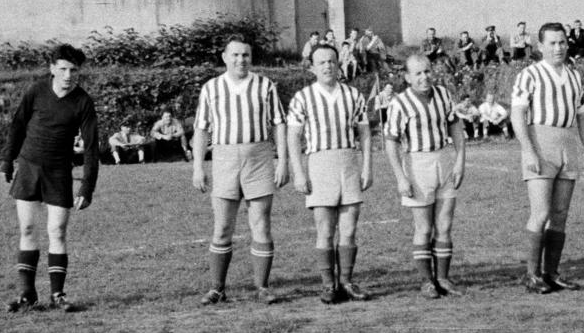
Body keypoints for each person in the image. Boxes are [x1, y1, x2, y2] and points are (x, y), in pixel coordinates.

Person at [191, 38, 291, 305]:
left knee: (261, 223)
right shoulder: (211, 88)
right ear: (224, 57)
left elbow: (279, 124)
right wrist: (198, 166)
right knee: (223, 226)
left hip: (258, 157)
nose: (240, 60)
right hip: (224, 158)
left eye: (245, 55)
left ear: (251, 57)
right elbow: (201, 129)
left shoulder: (265, 85)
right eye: (235, 55)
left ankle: (262, 287)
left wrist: (282, 160)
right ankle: (217, 288)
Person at [2, 43, 99, 312]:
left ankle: (58, 295)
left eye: (74, 70)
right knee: (28, 229)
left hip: (58, 172)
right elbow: (18, 125)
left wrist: (87, 188)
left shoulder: (82, 101)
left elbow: (91, 148)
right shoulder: (36, 91)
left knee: (57, 231)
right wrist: (7, 161)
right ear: (52, 69)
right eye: (64, 69)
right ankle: (27, 294)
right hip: (29, 167)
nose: (69, 75)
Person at [512, 22, 584, 293]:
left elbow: (583, 117)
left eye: (562, 42)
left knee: (560, 214)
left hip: (567, 143)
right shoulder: (530, 75)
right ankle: (531, 275)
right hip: (540, 142)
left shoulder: (574, 76)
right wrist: (528, 149)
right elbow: (517, 115)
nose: (558, 48)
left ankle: (552, 273)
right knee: (541, 212)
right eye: (552, 43)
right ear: (540, 46)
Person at [288, 44, 374, 303]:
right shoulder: (303, 97)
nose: (327, 66)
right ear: (312, 67)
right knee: (325, 230)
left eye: (332, 61)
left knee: (349, 228)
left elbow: (365, 134)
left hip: (348, 162)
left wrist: (367, 166)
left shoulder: (353, 95)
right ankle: (328, 285)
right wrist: (299, 173)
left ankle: (346, 282)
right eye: (322, 62)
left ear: (339, 65)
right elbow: (294, 138)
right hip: (319, 163)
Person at [384, 53, 467, 298]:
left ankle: (443, 278)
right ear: (408, 77)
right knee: (424, 227)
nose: (424, 77)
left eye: (427, 71)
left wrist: (460, 161)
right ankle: (427, 281)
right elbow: (391, 142)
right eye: (418, 73)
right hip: (417, 164)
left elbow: (455, 128)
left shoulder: (443, 94)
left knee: (444, 225)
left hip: (443, 159)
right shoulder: (400, 103)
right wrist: (400, 176)